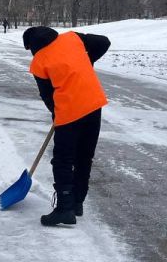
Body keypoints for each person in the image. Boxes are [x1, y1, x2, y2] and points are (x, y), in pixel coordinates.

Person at [23, 26, 110, 226]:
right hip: (94, 104)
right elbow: (103, 42)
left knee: (63, 160)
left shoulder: (39, 62)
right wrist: (86, 62)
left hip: (70, 111)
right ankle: (77, 202)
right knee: (84, 157)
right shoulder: (72, 38)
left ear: (31, 45)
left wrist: (57, 114)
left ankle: (64, 208)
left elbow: (47, 95)